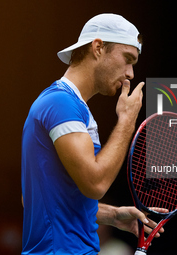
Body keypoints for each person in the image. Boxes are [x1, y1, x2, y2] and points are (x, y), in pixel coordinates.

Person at [21, 13, 165, 255]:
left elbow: (37, 200)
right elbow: (95, 183)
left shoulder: (67, 105)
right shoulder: (61, 104)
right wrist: (127, 121)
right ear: (98, 48)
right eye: (127, 59)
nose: (130, 73)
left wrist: (113, 215)